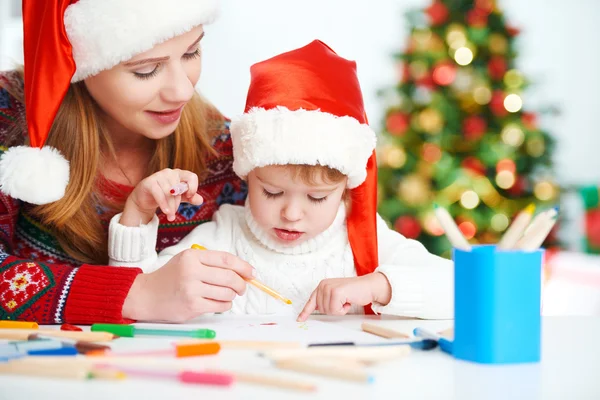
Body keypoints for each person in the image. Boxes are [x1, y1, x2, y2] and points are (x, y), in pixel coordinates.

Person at [108, 40, 454, 321]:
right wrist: (136, 216)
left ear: (346, 191)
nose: (291, 213)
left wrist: (379, 286)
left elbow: (463, 291)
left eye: (316, 198)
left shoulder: (363, 237)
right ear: (248, 176)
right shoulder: (226, 233)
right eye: (271, 192)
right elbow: (139, 296)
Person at [0, 0, 256, 325]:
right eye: (145, 69)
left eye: (191, 52)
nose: (182, 92)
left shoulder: (222, 146)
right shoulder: (7, 112)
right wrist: (133, 295)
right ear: (78, 61)